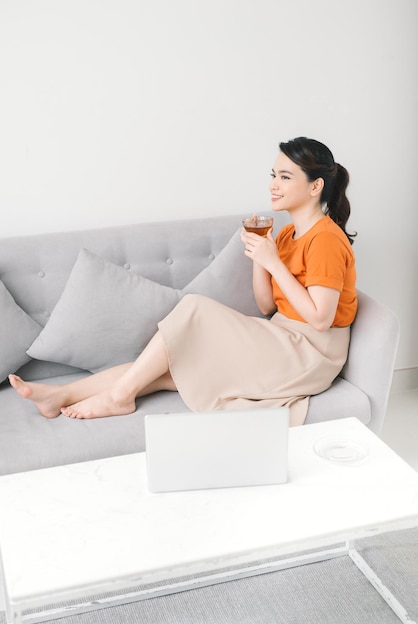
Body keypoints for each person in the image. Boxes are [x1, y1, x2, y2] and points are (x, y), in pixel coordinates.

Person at [9, 137, 357, 426]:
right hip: (282, 336)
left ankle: (118, 396)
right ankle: (61, 395)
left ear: (316, 186)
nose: (273, 185)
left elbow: (321, 318)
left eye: (285, 177)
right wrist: (258, 256)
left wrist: (273, 264)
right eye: (273, 175)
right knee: (172, 366)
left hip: (310, 353)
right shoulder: (286, 235)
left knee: (193, 309)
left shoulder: (324, 239)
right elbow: (267, 306)